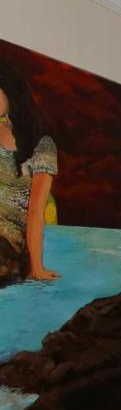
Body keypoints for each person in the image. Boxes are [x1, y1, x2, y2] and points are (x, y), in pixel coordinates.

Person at [0, 60, 59, 285]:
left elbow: (36, 210)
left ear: (11, 93)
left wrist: (37, 268)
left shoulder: (42, 145)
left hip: (10, 244)